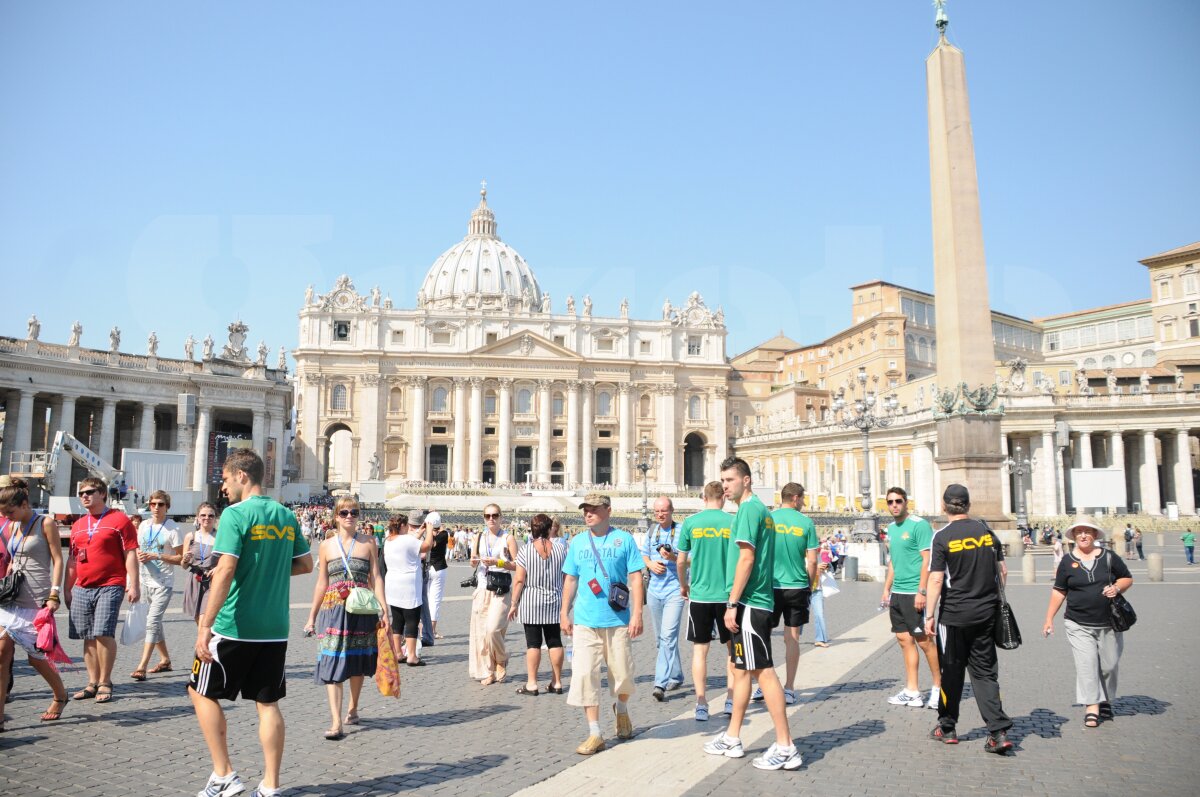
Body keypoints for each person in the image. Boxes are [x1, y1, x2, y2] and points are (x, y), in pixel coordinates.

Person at [189, 449, 313, 797]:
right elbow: (305, 565)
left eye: (226, 479)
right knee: (267, 703)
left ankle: (224, 774)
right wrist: (267, 569)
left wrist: (204, 626)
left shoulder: (235, 515)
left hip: (234, 624)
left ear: (242, 476)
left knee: (199, 691)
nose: (223, 487)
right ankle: (271, 786)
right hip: (274, 628)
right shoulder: (286, 515)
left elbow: (226, 570)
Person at [704, 457, 802, 771]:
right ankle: (732, 736)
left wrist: (732, 603)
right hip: (754, 601)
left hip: (749, 603)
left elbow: (746, 558)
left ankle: (786, 745)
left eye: (730, 480)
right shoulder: (762, 510)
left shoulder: (748, 510)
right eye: (722, 480)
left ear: (746, 480)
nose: (725, 486)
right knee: (740, 668)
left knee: (764, 671)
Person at [923, 484, 1014, 754]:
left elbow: (937, 578)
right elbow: (1003, 572)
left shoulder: (942, 536)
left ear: (944, 506)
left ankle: (947, 727)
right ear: (968, 504)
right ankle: (997, 732)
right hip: (986, 613)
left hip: (954, 616)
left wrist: (929, 614)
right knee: (985, 673)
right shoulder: (987, 533)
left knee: (951, 672)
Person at [561, 493, 644, 755]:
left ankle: (621, 708)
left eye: (594, 509)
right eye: (585, 509)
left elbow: (636, 577)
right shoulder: (577, 542)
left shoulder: (624, 540)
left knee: (623, 675)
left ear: (608, 510)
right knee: (585, 675)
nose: (588, 514)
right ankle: (595, 732)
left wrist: (637, 614)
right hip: (585, 620)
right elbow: (571, 579)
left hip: (617, 619)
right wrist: (565, 612)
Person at [304, 496, 388, 740]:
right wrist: (311, 616)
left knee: (357, 659)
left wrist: (384, 608)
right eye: (344, 512)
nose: (349, 516)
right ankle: (335, 721)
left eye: (354, 512)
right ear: (336, 516)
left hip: (361, 610)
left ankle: (353, 707)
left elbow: (377, 577)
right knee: (331, 661)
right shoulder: (326, 546)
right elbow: (322, 583)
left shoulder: (369, 542)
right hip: (333, 609)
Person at [1042, 515, 1134, 728]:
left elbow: (1127, 578)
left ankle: (1106, 699)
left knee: (1110, 665)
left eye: (1087, 531)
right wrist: (1049, 619)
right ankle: (1092, 705)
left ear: (1094, 535)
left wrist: (1117, 587)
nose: (1083, 535)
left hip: (1109, 622)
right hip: (1077, 623)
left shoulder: (1109, 557)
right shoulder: (1066, 561)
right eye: (1079, 532)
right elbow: (1059, 591)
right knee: (1087, 665)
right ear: (1073, 536)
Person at [0, 476, 69, 726]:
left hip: (37, 597)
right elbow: (12, 557)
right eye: (4, 513)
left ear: (25, 504)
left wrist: (54, 593)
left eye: (10, 511)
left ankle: (60, 695)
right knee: (1, 654)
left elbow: (58, 559)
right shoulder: (11, 526)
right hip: (11, 598)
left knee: (35, 658)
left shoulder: (45, 523)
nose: (7, 516)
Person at [65, 476, 139, 706]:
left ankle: (105, 681)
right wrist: (67, 588)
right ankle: (92, 681)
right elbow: (73, 560)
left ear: (103, 494)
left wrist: (133, 583)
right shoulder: (77, 525)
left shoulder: (119, 520)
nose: (84, 496)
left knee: (103, 632)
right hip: (82, 587)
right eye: (81, 493)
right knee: (86, 635)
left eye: (89, 492)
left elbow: (130, 554)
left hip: (111, 583)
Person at [676, 480, 734, 721]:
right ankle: (731, 700)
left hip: (699, 595)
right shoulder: (734, 522)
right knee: (732, 651)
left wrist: (683, 585)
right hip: (728, 595)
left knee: (700, 651)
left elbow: (680, 561)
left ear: (704, 498)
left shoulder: (690, 523)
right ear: (724, 498)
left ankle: (701, 703)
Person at [880, 486, 939, 710]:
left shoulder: (919, 525)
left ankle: (938, 687)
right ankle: (913, 690)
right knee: (904, 641)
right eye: (890, 502)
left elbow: (927, 560)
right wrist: (887, 588)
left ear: (906, 502)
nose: (894, 505)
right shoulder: (891, 528)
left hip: (915, 592)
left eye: (898, 501)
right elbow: (893, 561)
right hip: (898, 593)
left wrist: (922, 591)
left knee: (925, 642)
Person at [766, 482, 818, 707]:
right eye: (803, 499)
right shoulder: (806, 522)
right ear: (795, 498)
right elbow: (813, 560)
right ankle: (788, 688)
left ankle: (765, 683)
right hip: (797, 586)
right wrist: (809, 584)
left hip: (770, 586)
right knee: (792, 638)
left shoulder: (769, 519)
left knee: (763, 636)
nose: (804, 503)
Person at [508, 512, 568, 695]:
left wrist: (513, 603)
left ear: (532, 530)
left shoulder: (525, 550)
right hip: (554, 600)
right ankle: (556, 682)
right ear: (550, 529)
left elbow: (519, 580)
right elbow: (567, 577)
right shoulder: (561, 550)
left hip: (531, 601)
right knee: (555, 642)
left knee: (533, 644)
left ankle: (532, 683)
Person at [130, 490, 183, 681]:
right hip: (145, 581)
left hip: (163, 583)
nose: (156, 507)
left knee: (151, 622)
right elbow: (137, 548)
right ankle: (165, 660)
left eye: (161, 504)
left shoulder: (173, 529)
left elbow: (181, 558)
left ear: (167, 507)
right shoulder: (143, 525)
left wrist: (157, 555)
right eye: (153, 504)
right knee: (155, 622)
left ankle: (141, 666)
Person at [469, 503, 518, 684]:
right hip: (482, 588)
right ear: (483, 517)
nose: (491, 519)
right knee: (481, 633)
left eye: (495, 515)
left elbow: (517, 566)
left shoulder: (508, 538)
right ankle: (488, 670)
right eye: (488, 516)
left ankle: (501, 658)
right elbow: (473, 562)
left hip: (500, 589)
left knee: (492, 630)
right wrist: (474, 562)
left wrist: (498, 562)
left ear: (501, 517)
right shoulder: (478, 537)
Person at [643, 496, 685, 701]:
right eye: (657, 511)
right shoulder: (652, 532)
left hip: (675, 591)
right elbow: (644, 555)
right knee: (661, 639)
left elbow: (691, 559)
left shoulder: (683, 531)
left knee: (668, 637)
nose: (660, 514)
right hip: (654, 591)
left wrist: (674, 557)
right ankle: (676, 674)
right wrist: (650, 565)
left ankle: (660, 683)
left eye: (664, 511)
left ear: (672, 511)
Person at [383, 513, 432, 666]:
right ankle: (412, 656)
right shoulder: (407, 540)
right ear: (403, 525)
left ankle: (398, 653)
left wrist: (420, 532)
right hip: (409, 585)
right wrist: (429, 530)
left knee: (397, 620)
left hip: (392, 584)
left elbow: (408, 543)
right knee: (412, 620)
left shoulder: (389, 540)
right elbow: (427, 546)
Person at [181, 503, 221, 625]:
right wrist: (185, 560)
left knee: (205, 620)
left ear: (215, 518)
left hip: (212, 581)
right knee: (198, 619)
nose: (206, 518)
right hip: (194, 581)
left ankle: (202, 644)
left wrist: (218, 568)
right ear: (197, 518)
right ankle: (204, 643)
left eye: (210, 515)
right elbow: (184, 566)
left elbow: (226, 560)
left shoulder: (220, 537)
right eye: (203, 515)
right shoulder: (190, 537)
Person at [426, 515, 449, 639]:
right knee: (435, 600)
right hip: (439, 568)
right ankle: (432, 630)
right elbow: (434, 544)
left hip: (426, 567)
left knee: (425, 599)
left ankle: (422, 628)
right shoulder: (443, 534)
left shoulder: (425, 534)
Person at [809, 541, 832, 648]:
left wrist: (826, 567)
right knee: (798, 615)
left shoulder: (820, 556)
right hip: (804, 590)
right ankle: (793, 636)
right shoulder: (800, 557)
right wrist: (816, 567)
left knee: (820, 615)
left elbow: (830, 568)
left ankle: (820, 639)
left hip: (817, 589)